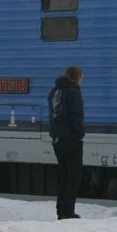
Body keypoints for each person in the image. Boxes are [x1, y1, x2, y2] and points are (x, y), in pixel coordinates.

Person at [48, 65, 85, 220]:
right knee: (74, 176)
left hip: (57, 139)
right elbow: (76, 116)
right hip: (71, 139)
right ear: (77, 77)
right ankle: (68, 211)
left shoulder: (55, 91)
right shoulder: (73, 92)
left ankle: (61, 210)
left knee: (64, 175)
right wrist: (80, 133)